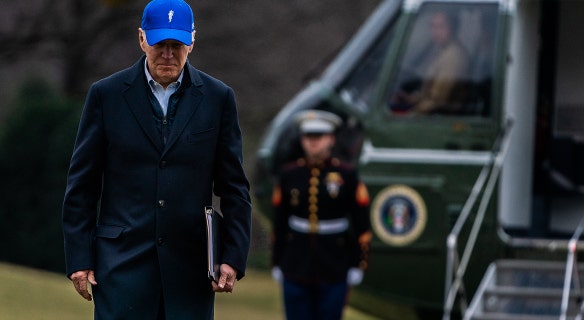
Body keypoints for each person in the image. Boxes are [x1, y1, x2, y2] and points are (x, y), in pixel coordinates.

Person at [61, 0, 252, 318]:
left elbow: (234, 188)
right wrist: (79, 258)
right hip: (120, 268)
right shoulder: (105, 96)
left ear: (192, 41)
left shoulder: (219, 99)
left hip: (189, 273)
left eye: (176, 44)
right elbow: (82, 185)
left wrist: (233, 255)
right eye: (159, 43)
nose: (167, 54)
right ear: (141, 38)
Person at [270, 110, 372, 320]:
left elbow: (361, 222)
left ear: (331, 139)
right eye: (308, 137)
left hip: (335, 263)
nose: (312, 142)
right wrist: (277, 261)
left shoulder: (346, 175)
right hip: (296, 263)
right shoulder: (289, 174)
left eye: (318, 137)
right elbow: (279, 222)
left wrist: (358, 263)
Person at [391, 10, 469, 114]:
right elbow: (429, 92)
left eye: (441, 26)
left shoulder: (453, 56)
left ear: (453, 27)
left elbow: (436, 101)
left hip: (441, 116)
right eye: (433, 26)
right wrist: (411, 98)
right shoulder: (444, 50)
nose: (435, 31)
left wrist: (410, 115)